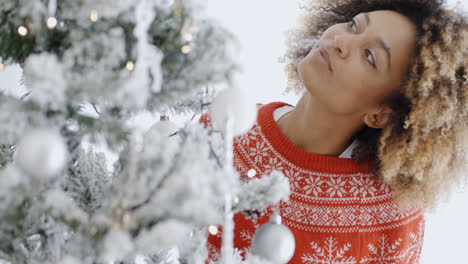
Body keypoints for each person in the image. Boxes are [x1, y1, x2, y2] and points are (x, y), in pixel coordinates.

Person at [202, 0, 468, 263]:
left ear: (381, 114)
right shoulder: (221, 129)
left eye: (369, 56)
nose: (341, 41)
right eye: (354, 25)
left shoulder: (392, 216)